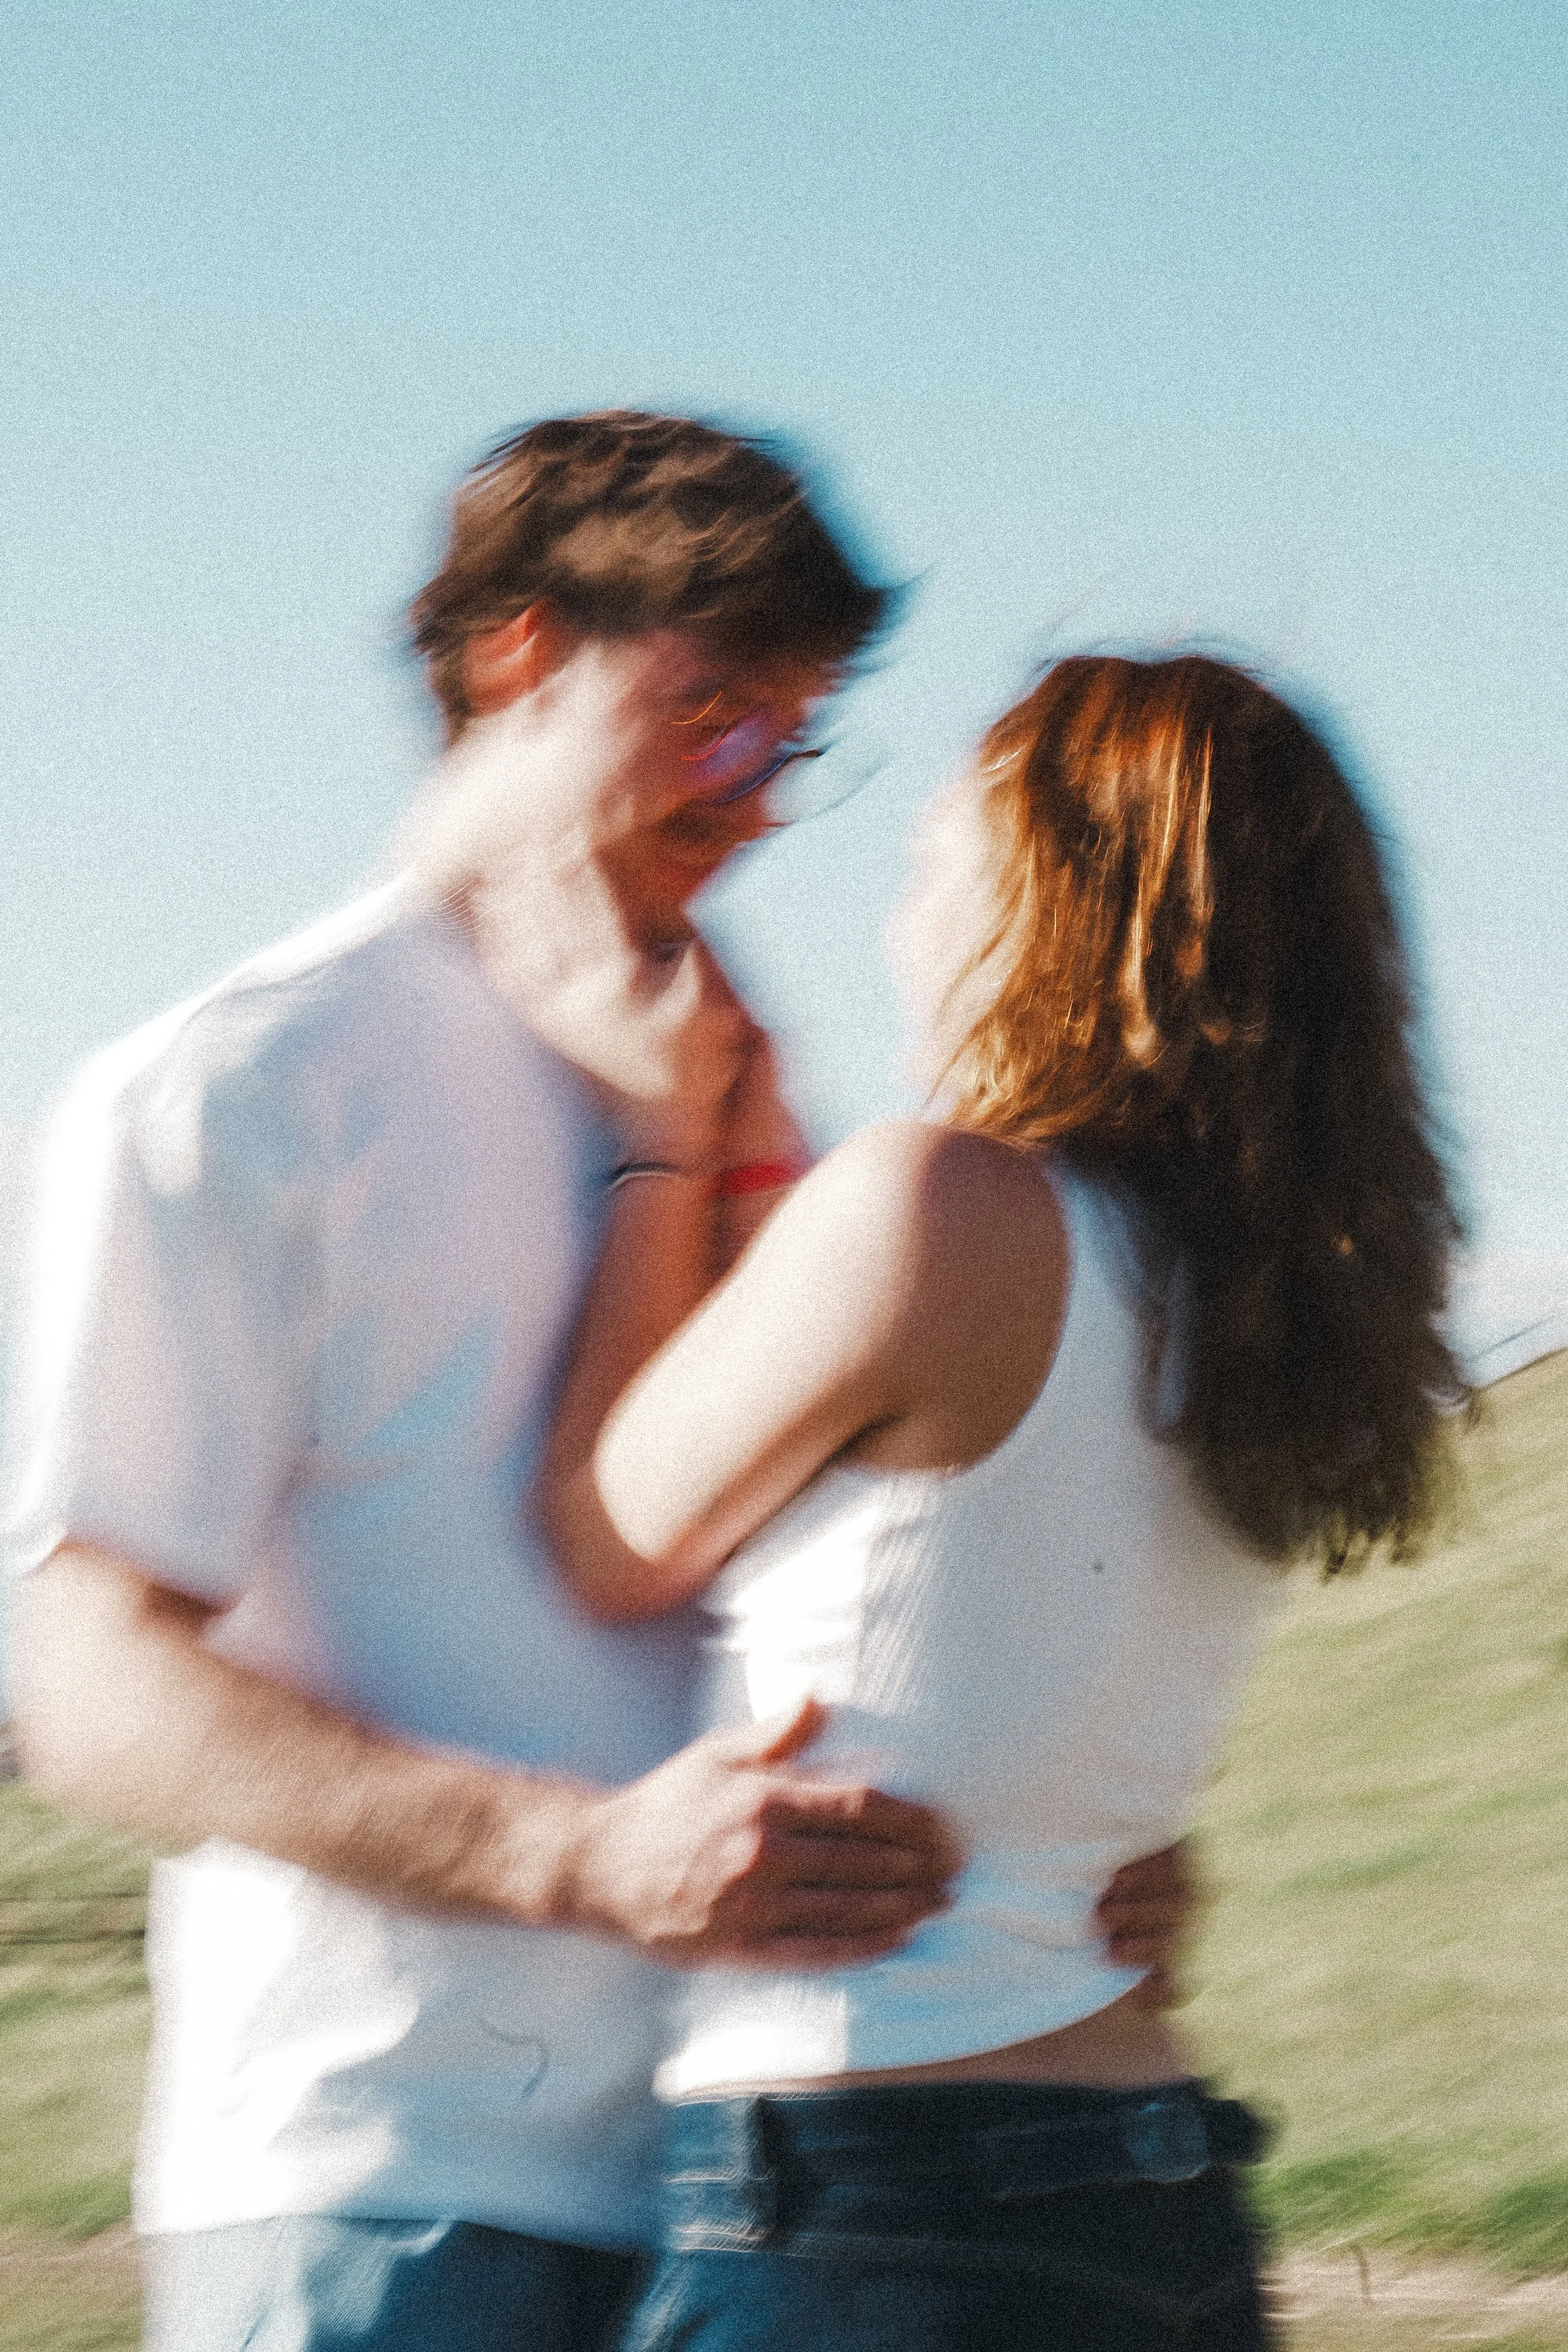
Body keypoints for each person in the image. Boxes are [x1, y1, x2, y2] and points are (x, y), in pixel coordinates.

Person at [3, 414, 1185, 2352]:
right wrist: (582, 1857)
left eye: (795, 736)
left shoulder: (734, 1074)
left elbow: (862, 1569)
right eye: (714, 708)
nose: (762, 795)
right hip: (384, 2191)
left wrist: (1068, 1854)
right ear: (521, 659)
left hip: (772, 2185)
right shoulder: (229, 1086)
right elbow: (91, 1692)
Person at [538, 653, 1470, 2351]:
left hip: (874, 2186)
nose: (896, 912)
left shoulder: (932, 1204)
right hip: (1150, 2176)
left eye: (924, 860)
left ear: (1046, 897)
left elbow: (605, 1527)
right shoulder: (1262, 1290)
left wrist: (652, 1129)